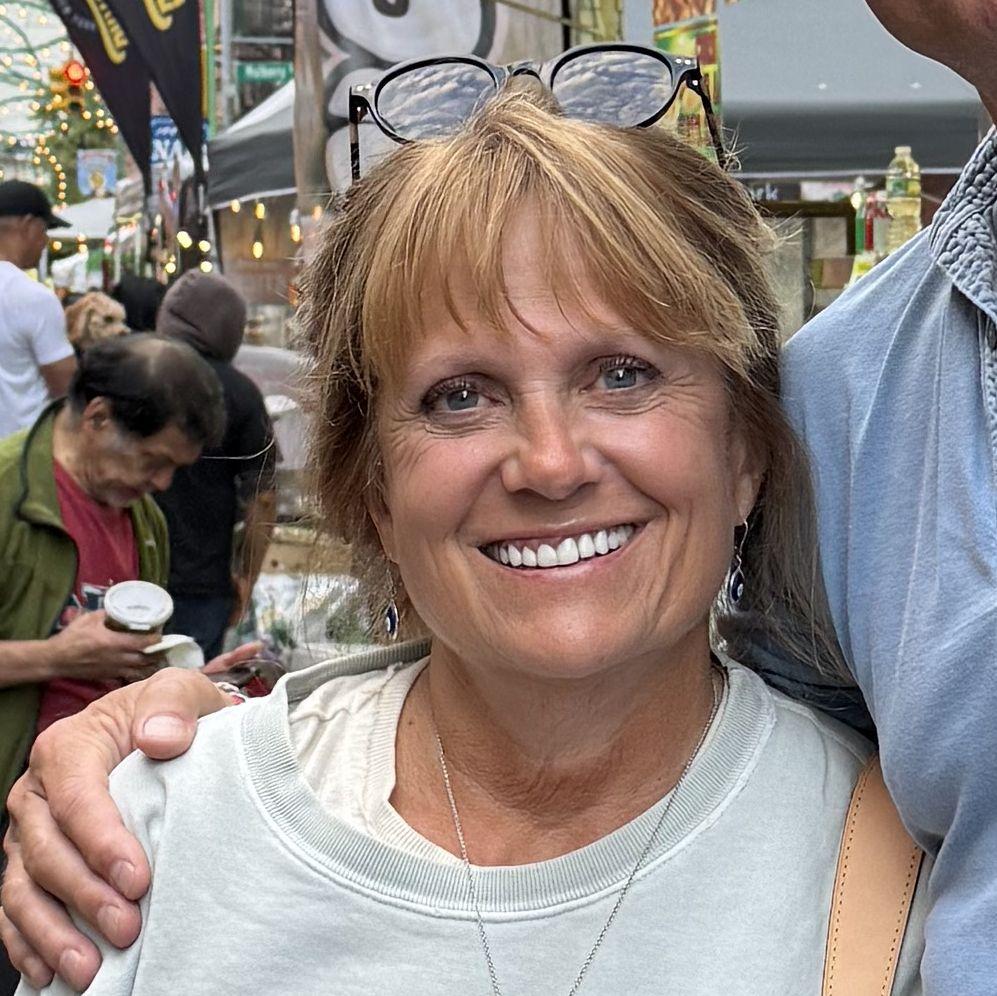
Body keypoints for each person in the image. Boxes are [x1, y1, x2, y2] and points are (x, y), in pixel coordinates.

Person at [4, 73, 930, 994]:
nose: (550, 463)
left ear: (744, 453)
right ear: (375, 493)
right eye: (459, 397)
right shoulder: (154, 839)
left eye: (621, 375)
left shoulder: (897, 872)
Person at [154, 271, 278, 659]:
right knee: (188, 688)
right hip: (203, 584)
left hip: (124, 577)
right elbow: (264, 500)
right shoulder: (241, 394)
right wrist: (247, 576)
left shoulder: (137, 375)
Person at [0, 181, 76, 440]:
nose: (45, 241)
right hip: (21, 451)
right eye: (44, 231)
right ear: (29, 225)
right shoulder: (34, 298)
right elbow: (66, 390)